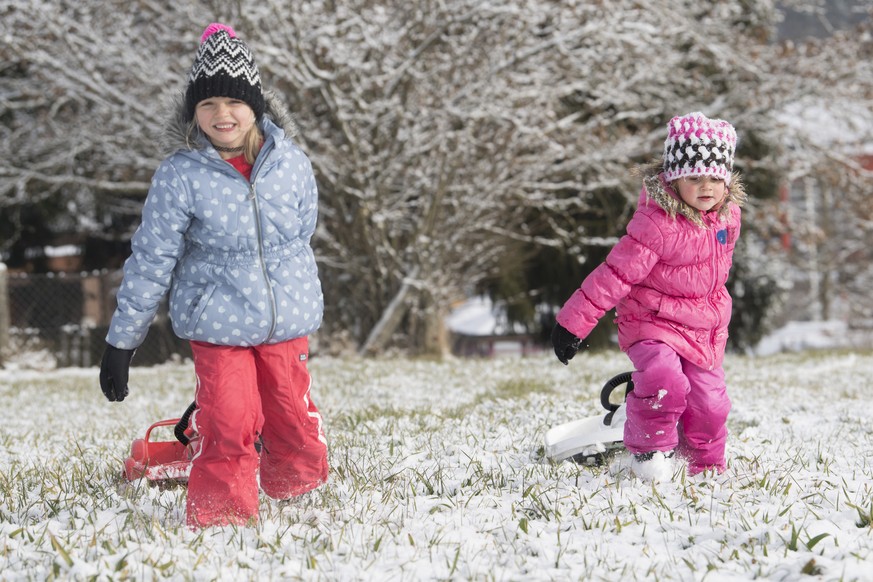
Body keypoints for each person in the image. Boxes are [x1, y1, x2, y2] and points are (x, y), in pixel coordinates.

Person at [99, 23, 329, 527]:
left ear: (255, 105)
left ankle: (298, 491)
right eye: (207, 105)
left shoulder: (292, 164)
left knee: (290, 416)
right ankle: (222, 517)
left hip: (285, 321)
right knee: (228, 420)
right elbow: (152, 257)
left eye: (233, 102)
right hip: (218, 321)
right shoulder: (180, 175)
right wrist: (122, 341)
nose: (221, 115)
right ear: (193, 112)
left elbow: (300, 234)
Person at [551, 112, 745, 482]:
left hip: (702, 330)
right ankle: (651, 456)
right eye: (694, 177)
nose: (706, 187)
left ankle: (703, 468)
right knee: (664, 380)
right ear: (673, 178)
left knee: (710, 403)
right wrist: (572, 324)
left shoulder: (728, 218)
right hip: (651, 322)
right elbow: (616, 274)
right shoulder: (657, 223)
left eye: (715, 178)